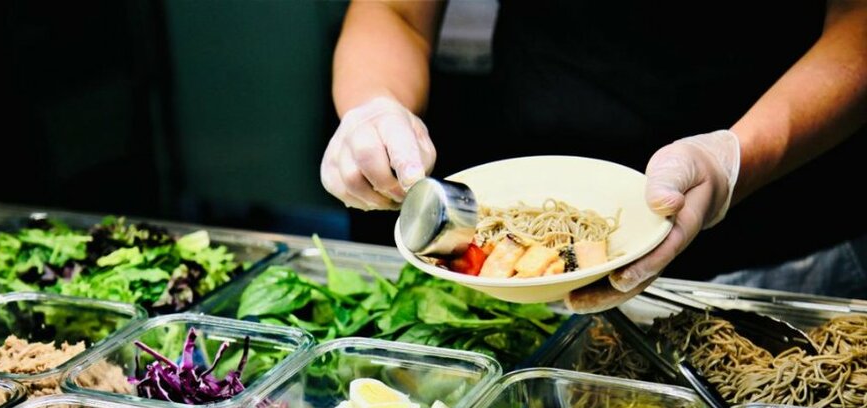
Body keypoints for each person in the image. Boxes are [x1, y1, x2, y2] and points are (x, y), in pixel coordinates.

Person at [320, 1, 867, 310]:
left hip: (777, 233)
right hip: (532, 259)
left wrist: (737, 161)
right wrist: (372, 106)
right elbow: (395, 12)